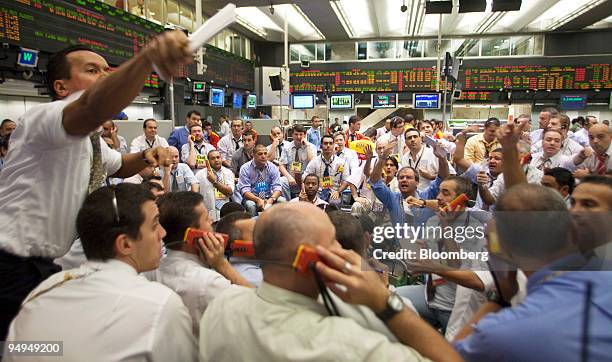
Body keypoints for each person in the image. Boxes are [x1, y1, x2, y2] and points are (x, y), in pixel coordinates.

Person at [0, 36, 188, 339]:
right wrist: (147, 59)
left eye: (106, 70)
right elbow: (91, 106)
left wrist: (144, 156)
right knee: (31, 348)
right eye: (91, 70)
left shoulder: (90, 139)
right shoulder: (43, 118)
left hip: (42, 265)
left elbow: (117, 164)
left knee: (45, 346)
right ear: (61, 87)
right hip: (10, 265)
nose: (103, 76)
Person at [200, 203, 462, 362]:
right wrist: (385, 301)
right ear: (310, 259)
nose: (343, 249)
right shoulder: (346, 342)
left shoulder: (220, 307)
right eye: (333, 243)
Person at [5, 184, 197, 361]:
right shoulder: (160, 306)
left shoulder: (40, 294)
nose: (162, 233)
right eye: (155, 225)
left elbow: (28, 350)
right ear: (125, 244)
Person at [454, 184, 612, 361]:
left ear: (500, 250)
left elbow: (448, 356)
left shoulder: (499, 333)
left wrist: (499, 297)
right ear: (572, 230)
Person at [157, 191, 250, 338]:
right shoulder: (209, 283)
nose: (212, 221)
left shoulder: (153, 270)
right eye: (207, 219)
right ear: (193, 234)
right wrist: (222, 265)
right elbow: (259, 309)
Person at [370, 139, 449, 226]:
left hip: (426, 239)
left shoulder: (427, 196)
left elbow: (442, 178)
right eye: (401, 178)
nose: (404, 180)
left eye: (409, 177)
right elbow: (375, 181)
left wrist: (442, 159)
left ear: (417, 182)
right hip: (401, 239)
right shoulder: (392, 198)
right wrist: (383, 158)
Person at [238, 144, 285, 216]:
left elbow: (277, 187)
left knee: (282, 201)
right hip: (252, 198)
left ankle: (280, 226)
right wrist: (257, 200)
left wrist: (271, 199)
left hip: (268, 197)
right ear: (253, 155)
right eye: (260, 154)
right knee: (250, 205)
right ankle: (254, 225)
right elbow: (245, 191)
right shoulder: (245, 168)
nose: (263, 156)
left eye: (265, 153)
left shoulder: (272, 167)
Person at [304, 134, 352, 205]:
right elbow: (304, 177)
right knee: (310, 201)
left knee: (334, 202)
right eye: (325, 143)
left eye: (331, 143)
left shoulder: (341, 162)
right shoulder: (314, 161)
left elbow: (346, 181)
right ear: (321, 146)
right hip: (316, 192)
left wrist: (338, 191)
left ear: (334, 145)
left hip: (334, 192)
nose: (328, 145)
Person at [196, 150, 235, 222]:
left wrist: (215, 181)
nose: (216, 160)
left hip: (225, 212)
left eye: (218, 157)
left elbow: (230, 192)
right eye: (213, 158)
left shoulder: (228, 172)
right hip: (208, 213)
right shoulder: (200, 175)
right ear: (207, 161)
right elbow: (195, 195)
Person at [279, 124, 316, 197]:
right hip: (291, 177)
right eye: (296, 134)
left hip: (305, 178)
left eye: (301, 134)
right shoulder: (286, 147)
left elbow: (313, 162)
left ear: (305, 135)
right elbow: (281, 165)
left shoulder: (311, 147)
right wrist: (288, 177)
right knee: (281, 180)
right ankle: (288, 203)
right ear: (292, 135)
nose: (298, 137)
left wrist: (307, 146)